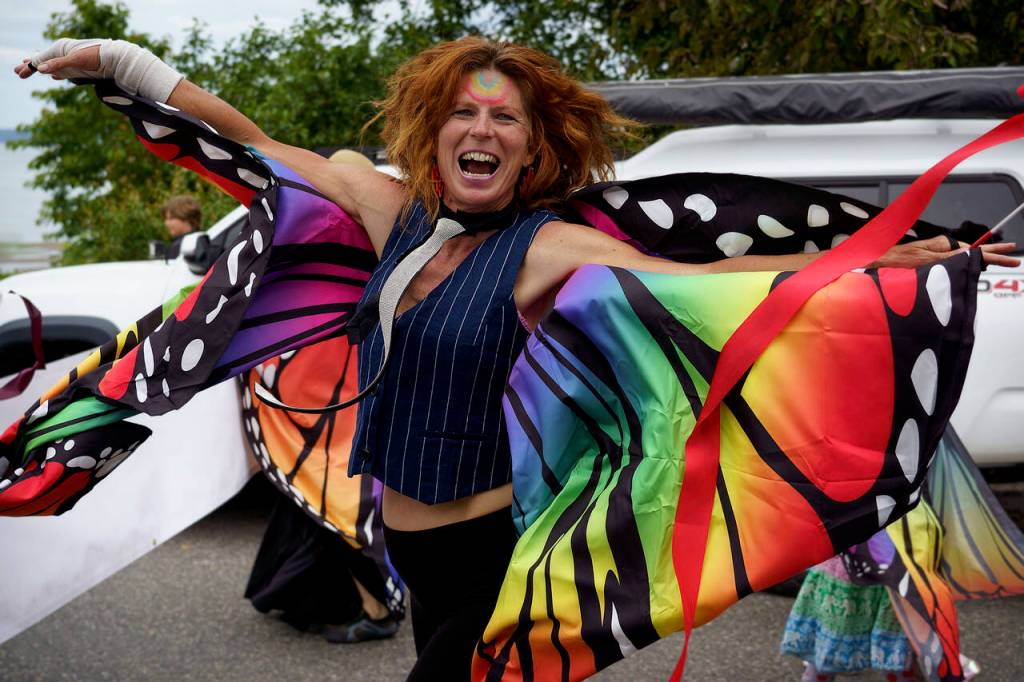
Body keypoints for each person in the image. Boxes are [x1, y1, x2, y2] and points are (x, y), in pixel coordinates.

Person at [15, 37, 1020, 681]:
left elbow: (741, 277)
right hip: (405, 543)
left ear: (534, 152)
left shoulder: (546, 249)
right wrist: (128, 66)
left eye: (506, 117)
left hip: (497, 542)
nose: (483, 126)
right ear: (436, 130)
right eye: (465, 111)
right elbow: (262, 147)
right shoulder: (394, 216)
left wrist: (899, 253)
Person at [159, 194, 201, 258]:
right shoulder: (202, 240)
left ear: (186, 218)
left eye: (171, 218)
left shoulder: (182, 245)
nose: (166, 223)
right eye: (166, 219)